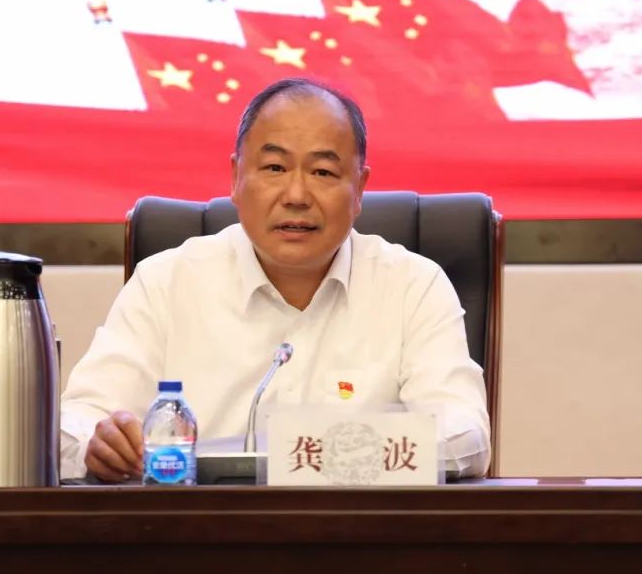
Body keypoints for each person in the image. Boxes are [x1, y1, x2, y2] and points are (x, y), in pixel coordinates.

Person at [60, 77, 490, 481]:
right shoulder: (166, 282)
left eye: (323, 172)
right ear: (236, 178)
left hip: (360, 532)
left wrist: (313, 455)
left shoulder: (413, 286)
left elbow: (465, 437)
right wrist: (101, 443)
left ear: (359, 188)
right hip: (196, 531)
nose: (297, 196)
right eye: (274, 168)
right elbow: (73, 426)